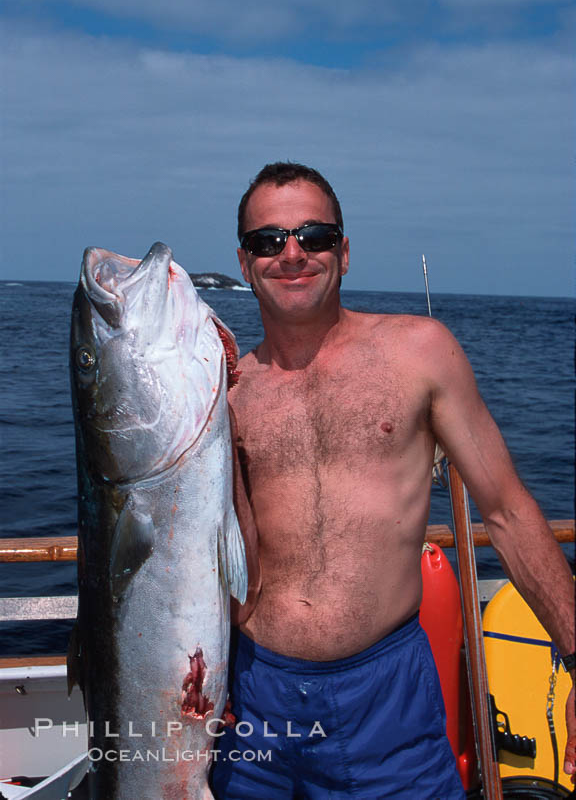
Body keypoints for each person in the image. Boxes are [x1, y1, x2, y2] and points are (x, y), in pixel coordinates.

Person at [210, 161, 575, 799]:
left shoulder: (420, 352)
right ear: (244, 264)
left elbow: (508, 513)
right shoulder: (223, 395)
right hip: (251, 702)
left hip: (385, 704)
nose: (291, 253)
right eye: (268, 241)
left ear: (344, 252)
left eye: (313, 235)